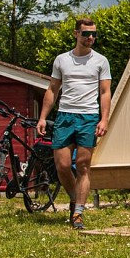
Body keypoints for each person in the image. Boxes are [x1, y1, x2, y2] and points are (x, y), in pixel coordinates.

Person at [37, 18, 111, 229]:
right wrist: (43, 117)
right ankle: (74, 198)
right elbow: (52, 89)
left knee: (82, 166)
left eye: (94, 34)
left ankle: (78, 212)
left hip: (88, 117)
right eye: (87, 34)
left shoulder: (101, 61)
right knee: (61, 166)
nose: (91, 38)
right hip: (65, 116)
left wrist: (104, 119)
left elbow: (105, 92)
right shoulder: (62, 60)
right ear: (76, 34)